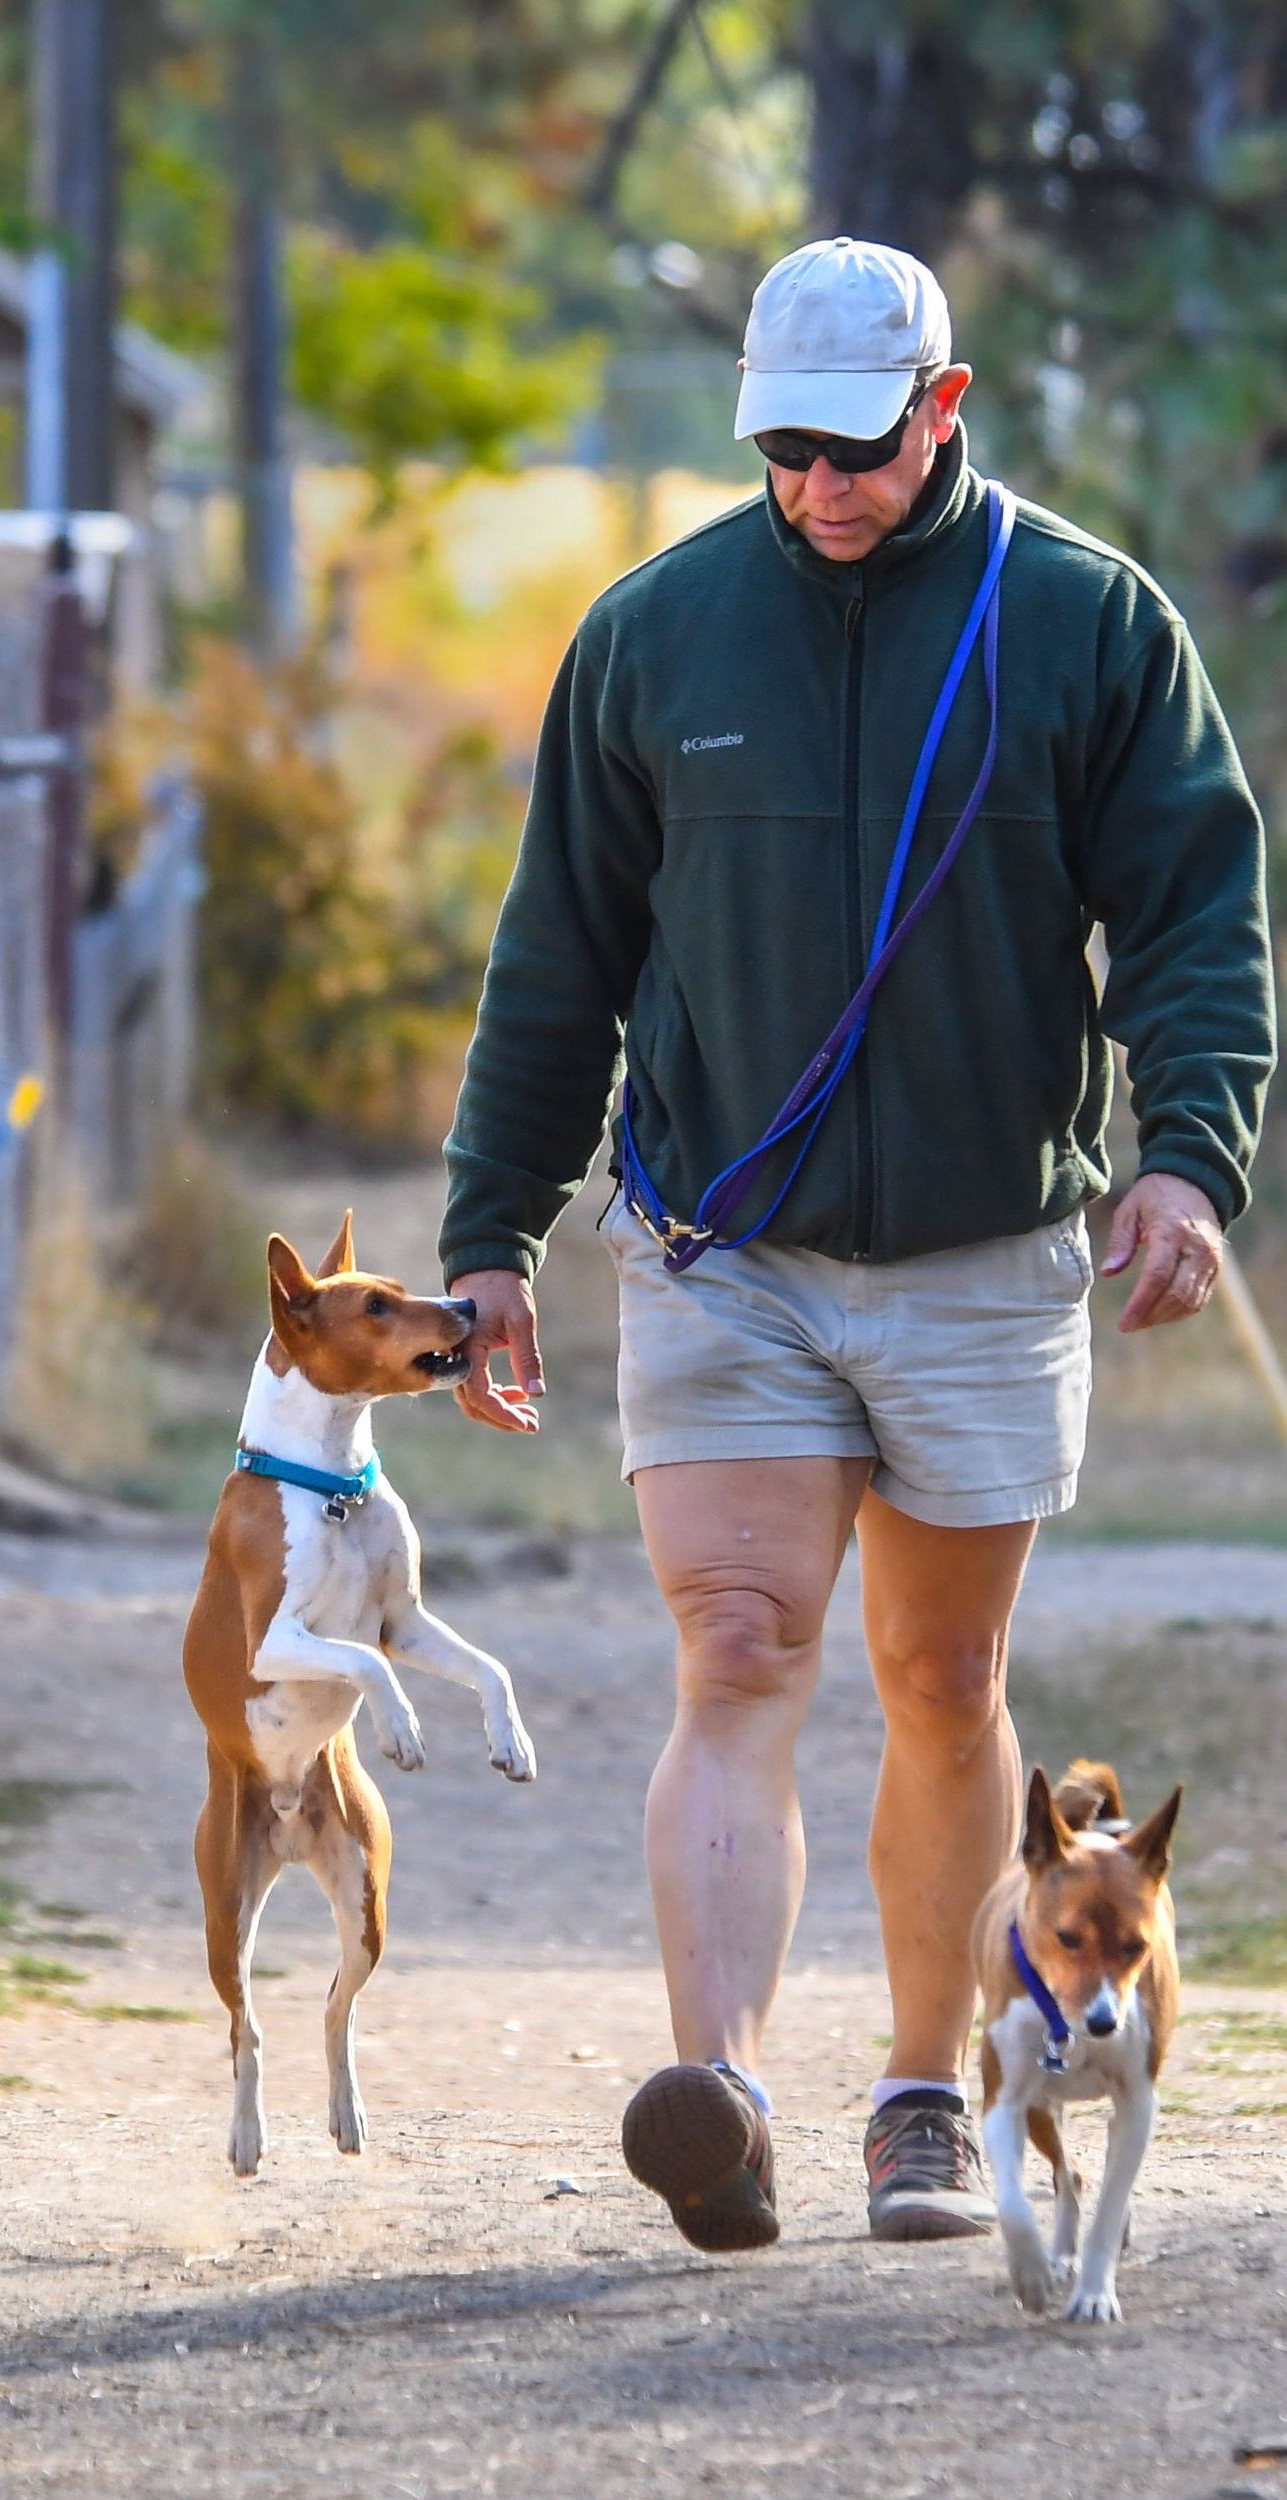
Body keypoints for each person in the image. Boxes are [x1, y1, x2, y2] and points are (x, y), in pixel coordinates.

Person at [438, 236, 1274, 2250]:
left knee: (935, 1665)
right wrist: (491, 1232)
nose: (818, 484)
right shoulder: (653, 638)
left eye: (857, 445)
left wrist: (1185, 1157)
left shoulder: (1081, 622)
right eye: (782, 449)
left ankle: (920, 2083)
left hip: (989, 1250)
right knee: (736, 1644)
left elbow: (1188, 912)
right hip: (721, 1237)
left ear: (943, 406)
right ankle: (714, 2087)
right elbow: (556, 955)